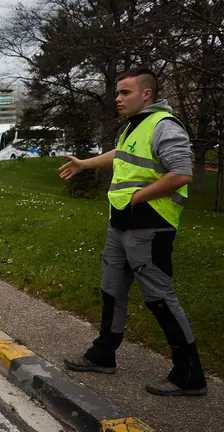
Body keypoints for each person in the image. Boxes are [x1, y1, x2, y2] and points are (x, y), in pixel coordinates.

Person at [58, 68, 207, 396]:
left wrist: (137, 198)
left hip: (150, 226)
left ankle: (189, 373)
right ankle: (103, 353)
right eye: (118, 93)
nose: (118, 98)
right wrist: (85, 163)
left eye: (125, 92)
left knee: (159, 299)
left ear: (147, 94)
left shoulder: (163, 125)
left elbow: (181, 173)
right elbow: (122, 157)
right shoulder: (133, 128)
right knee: (111, 290)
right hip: (122, 224)